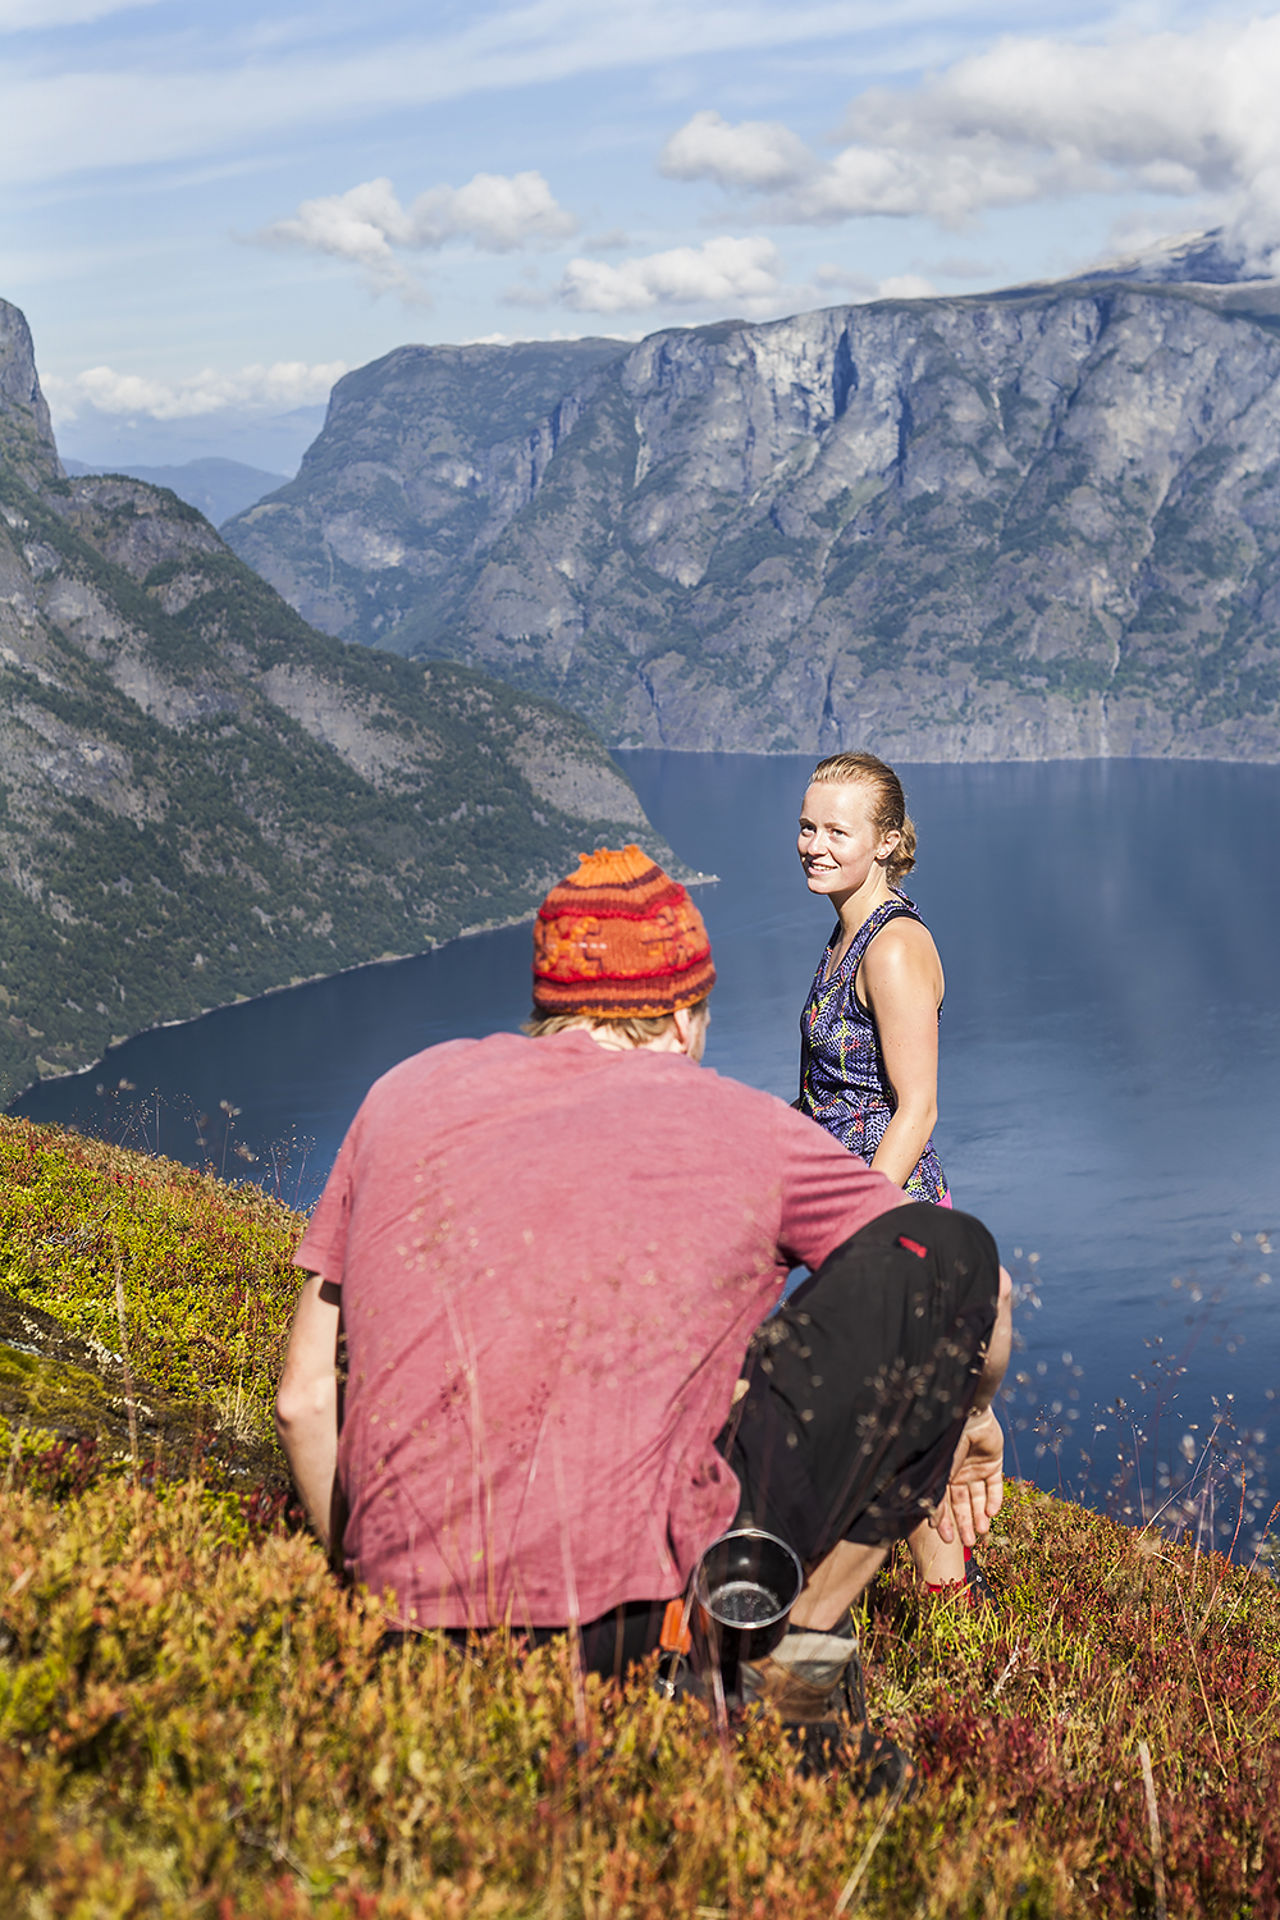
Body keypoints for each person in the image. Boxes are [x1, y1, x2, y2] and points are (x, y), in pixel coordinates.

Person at [276, 843, 1010, 1778]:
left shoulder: (398, 1096)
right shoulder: (743, 1128)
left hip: (404, 1627)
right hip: (616, 1641)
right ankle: (786, 1677)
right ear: (684, 1015)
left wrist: (374, 1597)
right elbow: (976, 1290)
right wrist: (972, 1421)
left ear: (550, 1002)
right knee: (949, 1254)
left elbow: (304, 1398)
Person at [795, 751, 976, 1601]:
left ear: (888, 842)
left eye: (837, 831)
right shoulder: (847, 932)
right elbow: (831, 1095)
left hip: (887, 1219)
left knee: (897, 1423)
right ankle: (949, 1613)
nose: (815, 845)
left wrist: (855, 1232)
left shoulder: (893, 947)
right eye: (808, 826)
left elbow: (918, 1108)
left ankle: (942, 1611)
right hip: (854, 1207)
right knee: (902, 1421)